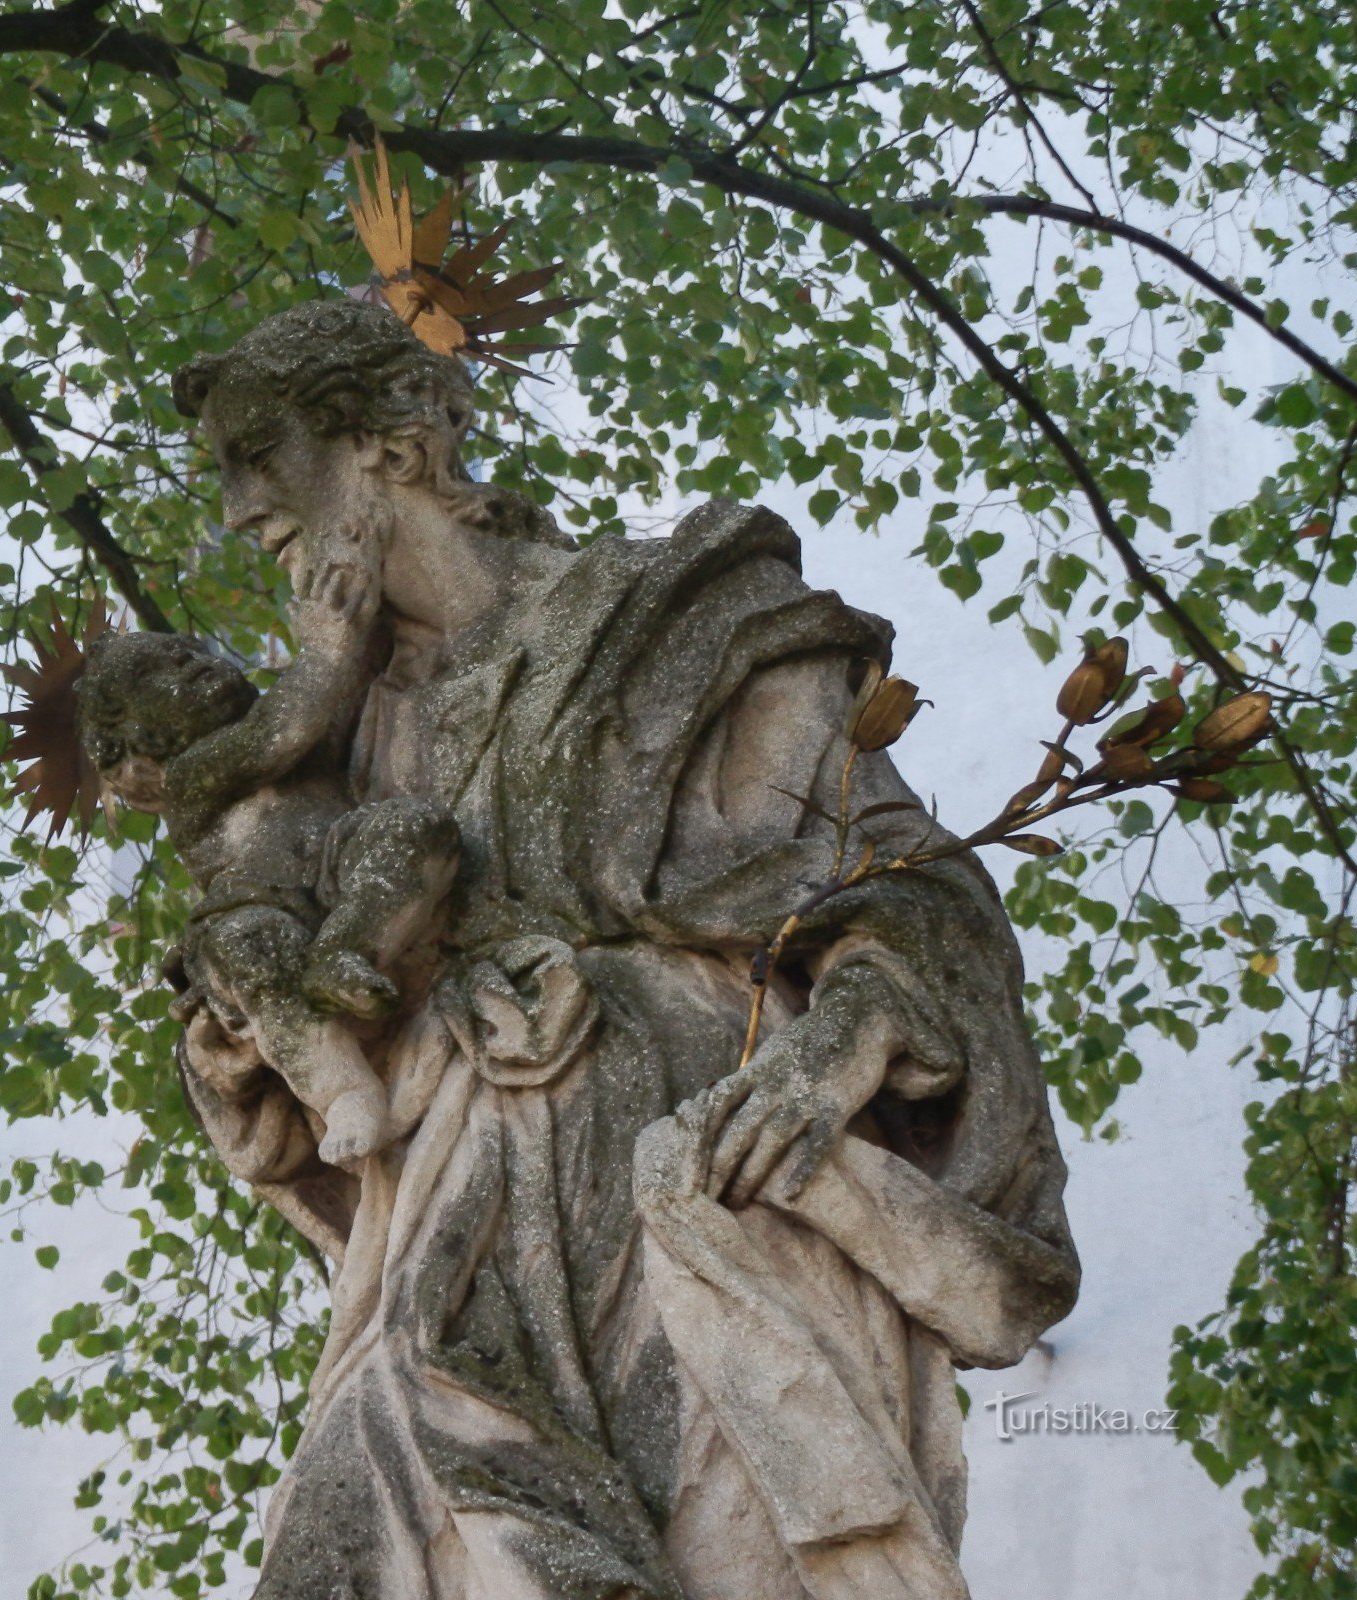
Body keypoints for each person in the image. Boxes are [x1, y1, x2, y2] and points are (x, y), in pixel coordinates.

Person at [167, 298, 1080, 1600]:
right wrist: (243, 1028)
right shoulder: (342, 752)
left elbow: (910, 887)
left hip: (698, 1193)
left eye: (260, 451)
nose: (240, 510)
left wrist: (832, 1051)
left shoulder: (675, 624)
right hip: (449, 1236)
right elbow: (305, 1057)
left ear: (395, 447)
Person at [76, 609, 459, 1167]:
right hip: (262, 904)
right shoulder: (194, 774)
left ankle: (344, 951)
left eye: (199, 653)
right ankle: (343, 1091)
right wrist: (330, 644)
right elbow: (279, 733)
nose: (202, 665)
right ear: (140, 736)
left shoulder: (292, 722)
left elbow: (355, 689)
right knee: (254, 947)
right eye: (174, 667)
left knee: (417, 830)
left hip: (340, 865)